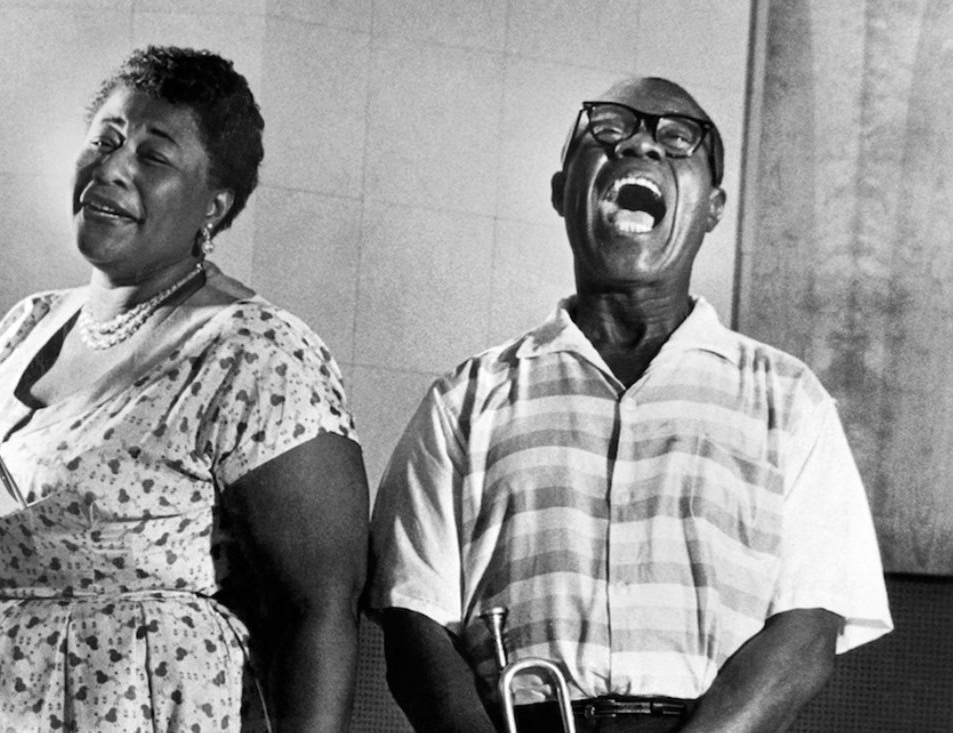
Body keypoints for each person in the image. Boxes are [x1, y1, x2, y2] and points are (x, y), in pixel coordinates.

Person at [366, 77, 892, 733]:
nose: (640, 145)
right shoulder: (464, 399)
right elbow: (415, 624)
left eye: (678, 137)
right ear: (563, 191)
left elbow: (808, 629)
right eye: (609, 130)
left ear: (713, 207)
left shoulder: (790, 399)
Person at [0, 45, 368, 733]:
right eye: (105, 140)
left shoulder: (256, 352)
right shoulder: (22, 329)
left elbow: (319, 610)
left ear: (214, 205)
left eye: (153, 156)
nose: (112, 168)